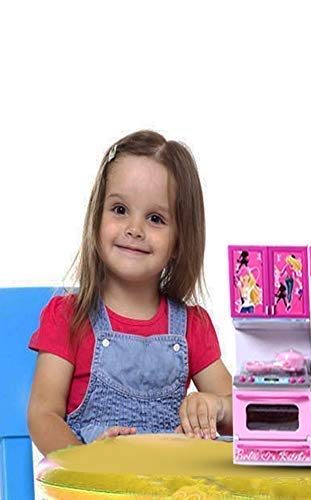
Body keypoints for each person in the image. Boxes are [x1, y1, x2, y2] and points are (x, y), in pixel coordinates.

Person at [27, 130, 233, 456]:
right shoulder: (68, 317)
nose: (134, 229)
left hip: (169, 481)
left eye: (155, 218)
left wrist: (216, 407)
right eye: (120, 209)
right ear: (97, 218)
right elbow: (43, 414)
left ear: (179, 241)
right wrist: (89, 464)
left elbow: (245, 413)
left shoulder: (192, 326)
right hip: (92, 481)